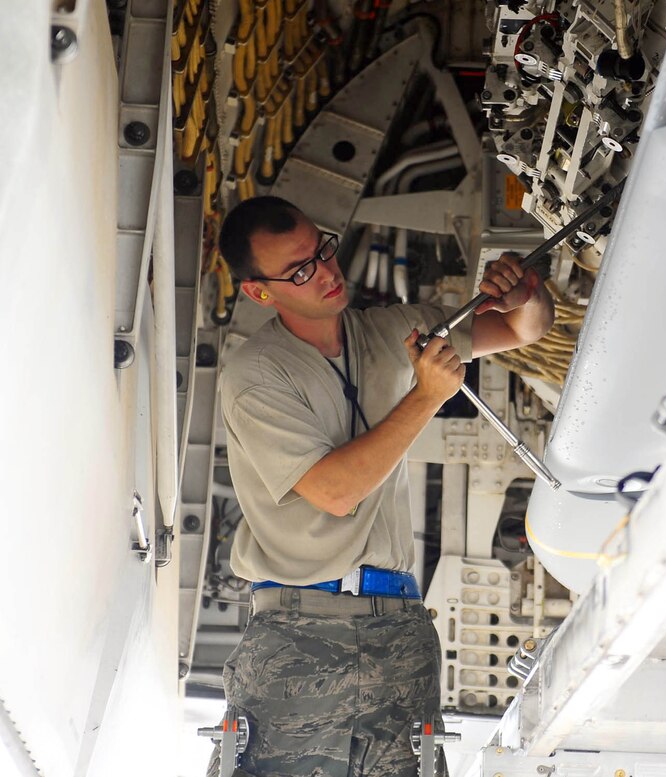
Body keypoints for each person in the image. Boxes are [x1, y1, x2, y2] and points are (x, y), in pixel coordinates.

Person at [207, 195, 554, 777]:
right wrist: (425, 397)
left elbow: (524, 328)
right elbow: (337, 492)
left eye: (322, 250)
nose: (325, 271)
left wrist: (523, 292)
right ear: (259, 292)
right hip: (300, 632)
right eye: (300, 270)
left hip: (396, 624)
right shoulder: (256, 376)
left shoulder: (393, 331)